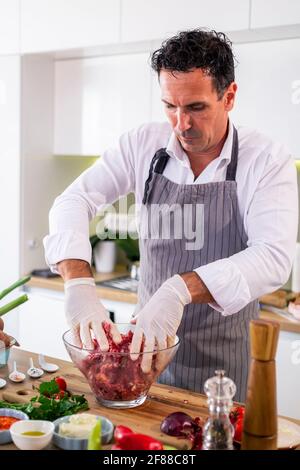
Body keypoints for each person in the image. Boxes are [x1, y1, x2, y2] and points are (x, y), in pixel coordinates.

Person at [44, 29, 298, 401]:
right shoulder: (141, 145)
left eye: (195, 107)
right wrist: (77, 282)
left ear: (229, 97)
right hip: (144, 358)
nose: (180, 124)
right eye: (170, 106)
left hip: (223, 365)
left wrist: (179, 290)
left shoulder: (267, 160)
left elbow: (273, 258)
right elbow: (74, 200)